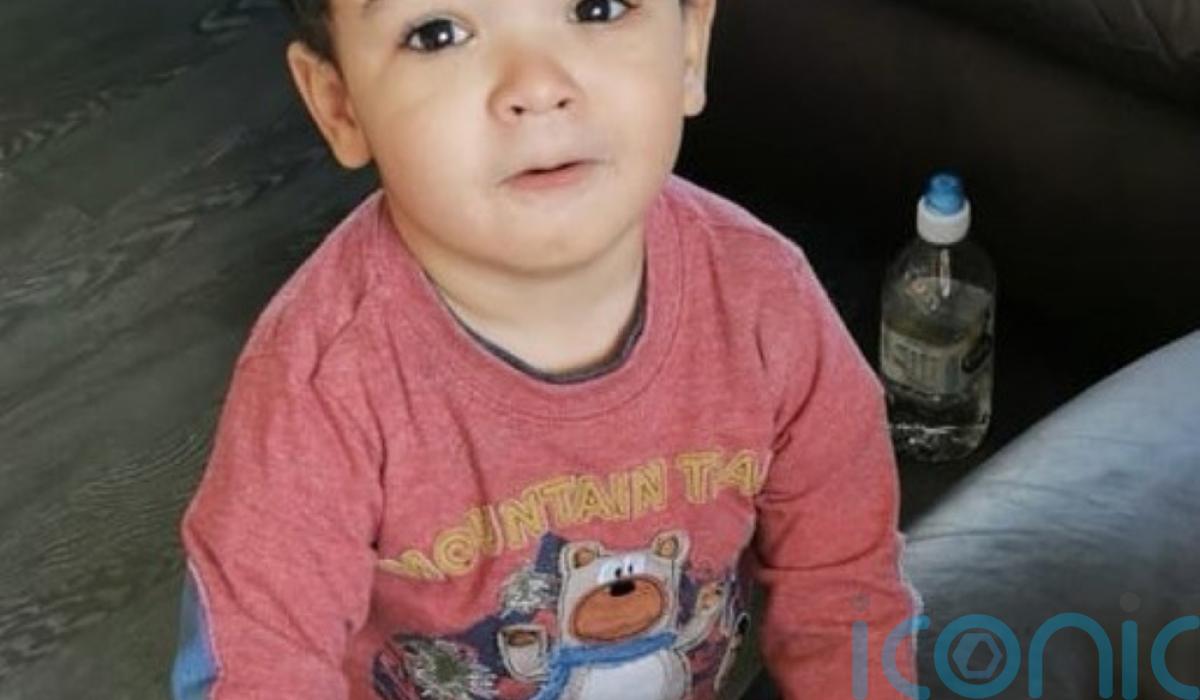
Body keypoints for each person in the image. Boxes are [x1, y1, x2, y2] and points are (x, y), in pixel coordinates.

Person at [170, 0, 921, 697]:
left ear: (690, 46)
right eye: (437, 34)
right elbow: (257, 662)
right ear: (340, 105)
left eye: (598, 7)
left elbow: (844, 593)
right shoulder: (319, 385)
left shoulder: (767, 304)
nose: (536, 86)